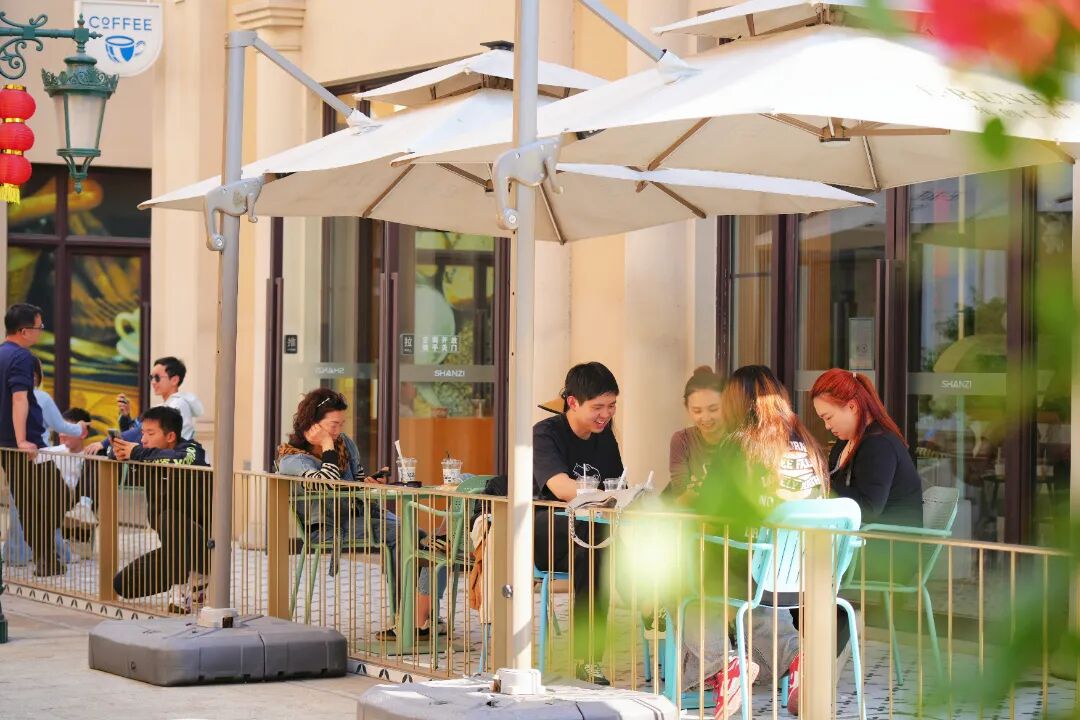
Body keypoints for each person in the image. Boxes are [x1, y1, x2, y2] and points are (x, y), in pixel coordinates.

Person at [683, 365, 828, 717]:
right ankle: (798, 658)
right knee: (754, 600)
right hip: (805, 578)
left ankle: (725, 664)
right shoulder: (810, 445)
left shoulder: (739, 444)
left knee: (686, 587)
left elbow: (707, 510)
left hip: (753, 572)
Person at [533, 361, 622, 686]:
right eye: (598, 407)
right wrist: (606, 497)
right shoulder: (546, 433)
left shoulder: (605, 437)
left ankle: (589, 659)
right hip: (545, 530)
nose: (606, 414)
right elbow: (561, 488)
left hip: (590, 534)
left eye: (611, 406)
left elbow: (618, 487)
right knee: (597, 537)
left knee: (601, 545)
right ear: (572, 402)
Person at [275, 389, 399, 620]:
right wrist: (327, 444)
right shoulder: (292, 459)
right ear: (312, 423)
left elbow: (357, 482)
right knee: (402, 534)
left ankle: (421, 616)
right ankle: (405, 616)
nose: (338, 431)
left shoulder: (345, 444)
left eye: (342, 424)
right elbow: (327, 484)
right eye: (333, 425)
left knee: (419, 535)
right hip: (328, 527)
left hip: (358, 515)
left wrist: (370, 482)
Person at [111, 406, 211, 613]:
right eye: (142, 433)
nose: (143, 439)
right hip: (175, 550)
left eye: (150, 433)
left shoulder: (192, 449)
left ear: (170, 436)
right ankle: (194, 580)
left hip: (205, 546)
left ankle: (184, 588)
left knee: (168, 518)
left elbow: (184, 459)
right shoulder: (147, 456)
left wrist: (136, 452)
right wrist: (118, 454)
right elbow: (127, 463)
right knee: (123, 584)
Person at [810, 368, 923, 528]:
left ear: (852, 407)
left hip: (890, 540)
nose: (827, 426)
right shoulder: (845, 441)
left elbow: (869, 508)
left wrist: (819, 484)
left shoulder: (879, 444)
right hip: (862, 535)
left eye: (828, 417)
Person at [0, 303, 66, 576]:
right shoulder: (22, 357)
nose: (41, 332)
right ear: (24, 330)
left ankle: (47, 559)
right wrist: (22, 440)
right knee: (56, 495)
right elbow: (19, 399)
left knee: (31, 503)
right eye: (39, 327)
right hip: (25, 445)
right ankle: (46, 558)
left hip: (8, 443)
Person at [667, 366, 726, 503]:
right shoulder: (682, 440)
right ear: (687, 408)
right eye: (697, 411)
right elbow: (681, 498)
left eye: (713, 409)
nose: (706, 418)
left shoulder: (738, 438)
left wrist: (699, 489)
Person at [119, 356, 204, 441]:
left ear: (174, 380)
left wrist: (113, 440)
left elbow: (146, 436)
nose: (153, 382)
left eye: (157, 378)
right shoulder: (163, 406)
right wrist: (126, 416)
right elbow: (136, 431)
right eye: (151, 378)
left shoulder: (179, 405)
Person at [31, 355, 86, 447]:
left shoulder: (8, 396)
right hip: (38, 451)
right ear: (35, 376)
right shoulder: (42, 397)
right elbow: (59, 426)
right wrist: (79, 428)